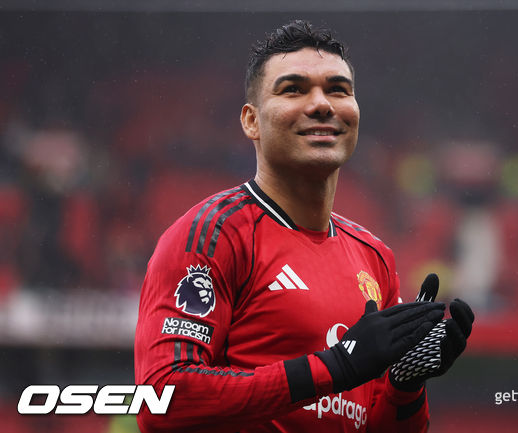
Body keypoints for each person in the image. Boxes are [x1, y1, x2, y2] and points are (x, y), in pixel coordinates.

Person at [134, 20, 474, 433]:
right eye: (293, 89)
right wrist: (337, 365)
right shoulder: (214, 234)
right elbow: (163, 398)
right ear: (251, 121)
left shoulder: (375, 258)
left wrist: (405, 387)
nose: (322, 104)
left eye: (338, 89)